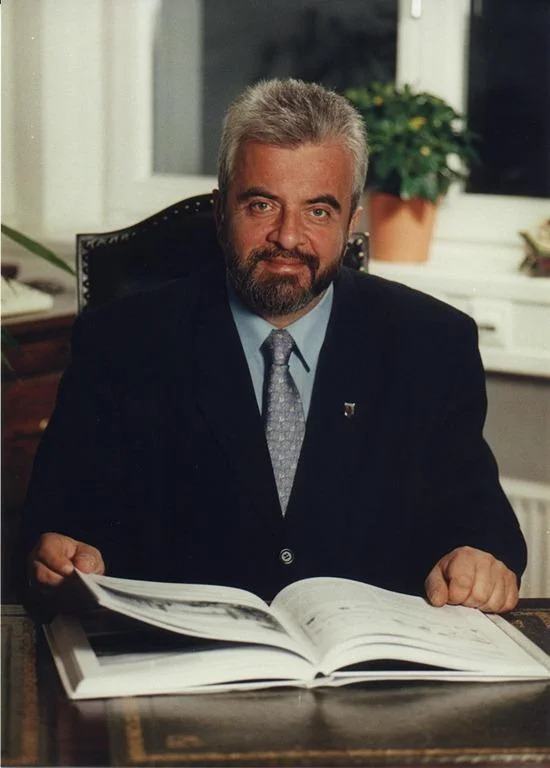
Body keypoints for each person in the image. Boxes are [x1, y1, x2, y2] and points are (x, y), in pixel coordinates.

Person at [20, 78, 526, 615]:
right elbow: (55, 527)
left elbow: (482, 527)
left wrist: (479, 561)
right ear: (221, 211)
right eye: (262, 205)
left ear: (351, 223)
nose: (288, 237)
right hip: (180, 657)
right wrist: (61, 556)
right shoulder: (121, 343)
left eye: (318, 211)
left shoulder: (432, 343)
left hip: (366, 662)